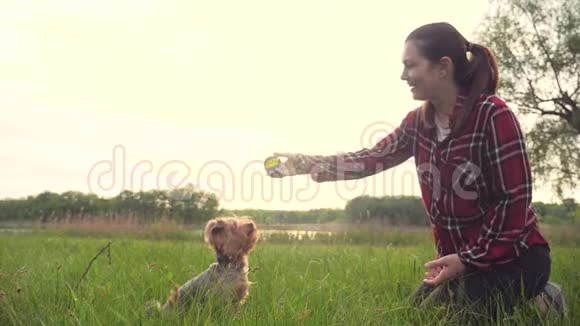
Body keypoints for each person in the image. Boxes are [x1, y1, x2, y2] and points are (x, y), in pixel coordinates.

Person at [267, 22, 566, 318]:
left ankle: (545, 296)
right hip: (457, 261)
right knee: (415, 315)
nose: (402, 76)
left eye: (410, 66)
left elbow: (513, 202)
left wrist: (468, 259)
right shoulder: (417, 123)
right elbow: (372, 157)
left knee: (461, 317)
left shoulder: (493, 115)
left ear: (442, 67)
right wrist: (305, 164)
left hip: (515, 258)